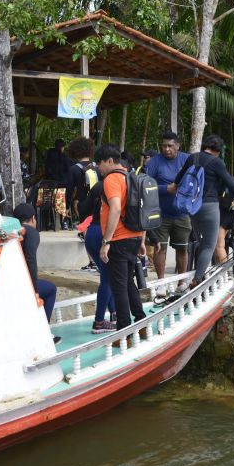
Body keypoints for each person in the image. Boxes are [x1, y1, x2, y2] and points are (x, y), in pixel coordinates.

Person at [170, 135, 234, 285]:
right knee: (209, 245)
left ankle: (199, 274)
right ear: (218, 150)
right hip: (209, 206)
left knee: (202, 243)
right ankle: (197, 279)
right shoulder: (217, 162)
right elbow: (232, 185)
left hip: (192, 207)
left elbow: (178, 180)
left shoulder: (193, 158)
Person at [97, 144, 147, 344]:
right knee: (127, 282)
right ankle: (141, 323)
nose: (98, 168)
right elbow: (142, 209)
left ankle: (123, 333)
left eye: (99, 163)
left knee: (118, 287)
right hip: (134, 236)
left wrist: (106, 241)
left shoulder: (112, 179)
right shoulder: (131, 176)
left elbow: (116, 208)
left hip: (118, 238)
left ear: (109, 161)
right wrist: (141, 239)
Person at [145, 132, 191, 296]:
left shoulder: (187, 159)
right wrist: (166, 189)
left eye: (170, 146)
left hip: (182, 213)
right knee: (160, 248)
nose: (167, 149)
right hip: (160, 213)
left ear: (178, 145)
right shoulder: (154, 162)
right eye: (164, 146)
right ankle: (161, 283)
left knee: (182, 249)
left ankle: (182, 283)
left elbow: (196, 182)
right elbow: (146, 186)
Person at [14, 203, 60, 344]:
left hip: (10, 279)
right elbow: (31, 260)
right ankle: (43, 333)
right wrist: (34, 290)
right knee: (51, 289)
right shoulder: (31, 232)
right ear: (33, 218)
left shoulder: (13, 230)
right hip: (22, 283)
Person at [78, 177, 117, 334]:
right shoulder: (119, 183)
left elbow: (82, 209)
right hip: (105, 233)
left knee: (107, 277)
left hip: (92, 232)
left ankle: (114, 314)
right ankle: (99, 322)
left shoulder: (98, 185)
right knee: (108, 279)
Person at [66, 136, 96, 221]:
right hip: (96, 203)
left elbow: (69, 190)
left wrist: (67, 207)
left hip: (81, 203)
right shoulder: (97, 167)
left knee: (84, 225)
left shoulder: (74, 169)